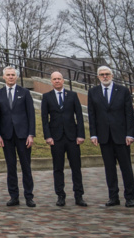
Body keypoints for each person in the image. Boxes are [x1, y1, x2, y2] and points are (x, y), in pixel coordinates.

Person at [87, 65, 134, 207]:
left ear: (112, 75)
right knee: (109, 168)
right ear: (98, 77)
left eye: (107, 74)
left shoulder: (123, 91)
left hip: (121, 135)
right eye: (102, 74)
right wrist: (93, 134)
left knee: (126, 168)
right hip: (104, 136)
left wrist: (130, 134)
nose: (105, 76)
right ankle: (113, 196)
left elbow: (129, 114)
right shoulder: (93, 92)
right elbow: (92, 114)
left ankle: (129, 197)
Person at [40, 71, 85, 207]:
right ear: (51, 81)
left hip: (72, 137)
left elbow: (79, 116)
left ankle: (79, 195)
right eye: (54, 79)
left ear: (63, 80)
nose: (57, 81)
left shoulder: (72, 95)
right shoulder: (47, 97)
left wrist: (80, 135)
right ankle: (60, 195)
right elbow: (44, 118)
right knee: (58, 168)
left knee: (76, 167)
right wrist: (47, 136)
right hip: (56, 138)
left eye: (59, 79)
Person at [0, 66, 35, 207]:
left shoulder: (24, 93)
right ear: (4, 77)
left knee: (26, 166)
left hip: (23, 135)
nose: (10, 77)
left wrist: (31, 134)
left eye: (13, 75)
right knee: (11, 167)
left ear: (16, 77)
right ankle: (14, 196)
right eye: (8, 75)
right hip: (6, 136)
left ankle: (29, 196)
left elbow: (31, 115)